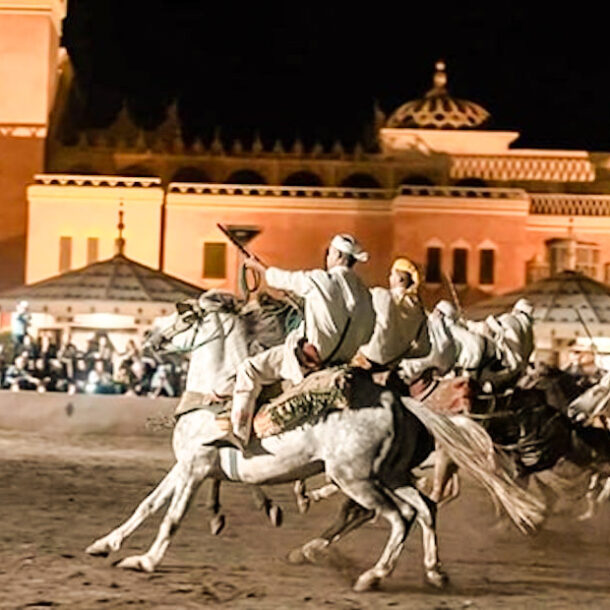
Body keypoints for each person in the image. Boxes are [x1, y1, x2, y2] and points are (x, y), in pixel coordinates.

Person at [228, 233, 376, 445]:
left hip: (308, 359)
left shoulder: (321, 280)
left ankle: (237, 435)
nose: (328, 256)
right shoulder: (364, 293)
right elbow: (368, 332)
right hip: (343, 361)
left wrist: (258, 266)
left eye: (330, 253)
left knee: (249, 369)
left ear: (337, 255)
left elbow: (285, 279)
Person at [359, 257, 429, 368]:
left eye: (392, 275)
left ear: (400, 279)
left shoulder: (381, 296)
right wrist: (402, 355)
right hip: (393, 364)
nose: (389, 278)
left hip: (368, 358)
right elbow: (424, 348)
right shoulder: (418, 309)